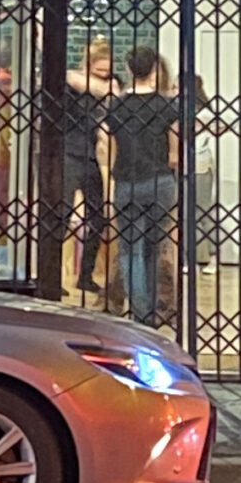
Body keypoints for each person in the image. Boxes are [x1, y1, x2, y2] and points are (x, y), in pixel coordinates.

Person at [101, 47, 179, 330]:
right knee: (153, 248)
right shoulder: (167, 105)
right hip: (159, 180)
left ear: (129, 68)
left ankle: (139, 314)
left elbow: (107, 144)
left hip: (126, 181)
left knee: (130, 249)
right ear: (155, 69)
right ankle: (150, 310)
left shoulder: (116, 106)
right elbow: (175, 143)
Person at [62, 38, 116, 300]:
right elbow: (73, 80)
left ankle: (86, 275)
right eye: (100, 71)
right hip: (69, 153)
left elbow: (114, 95)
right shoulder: (71, 84)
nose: (105, 76)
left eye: (108, 71)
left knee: (99, 217)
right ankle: (50, 275)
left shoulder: (109, 86)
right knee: (59, 216)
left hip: (91, 156)